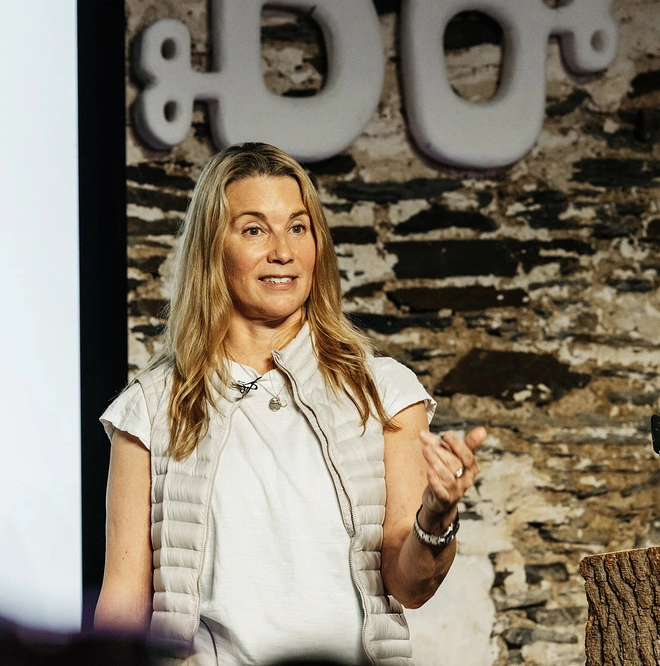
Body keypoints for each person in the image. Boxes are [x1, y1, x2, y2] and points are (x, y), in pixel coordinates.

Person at [95, 142, 486, 665]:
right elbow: (122, 603)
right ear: (214, 246)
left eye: (298, 227)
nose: (283, 251)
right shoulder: (150, 406)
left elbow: (411, 587)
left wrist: (436, 516)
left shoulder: (385, 392)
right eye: (255, 229)